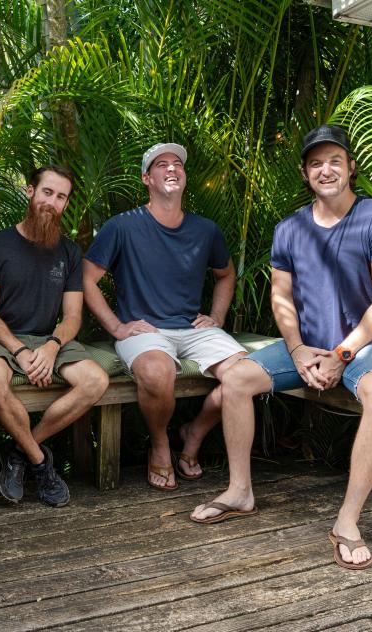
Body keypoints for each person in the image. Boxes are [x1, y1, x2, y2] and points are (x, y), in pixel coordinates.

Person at [192, 125, 372, 570]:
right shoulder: (289, 228)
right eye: (315, 163)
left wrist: (342, 354)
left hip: (361, 346)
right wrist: (295, 351)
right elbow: (281, 297)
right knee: (235, 378)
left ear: (351, 166)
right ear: (305, 173)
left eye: (334, 161)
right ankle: (240, 491)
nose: (325, 170)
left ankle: (347, 523)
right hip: (304, 347)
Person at [83, 142, 246, 491]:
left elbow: (226, 274)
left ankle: (193, 434)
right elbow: (87, 279)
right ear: (147, 178)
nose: (172, 169)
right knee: (157, 373)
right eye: (161, 165)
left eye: (177, 164)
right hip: (146, 330)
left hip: (193, 329)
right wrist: (116, 326)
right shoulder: (122, 226)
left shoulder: (205, 230)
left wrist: (216, 316)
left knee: (246, 376)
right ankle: (159, 443)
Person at [0, 165, 108, 507]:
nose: (53, 202)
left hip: (48, 338)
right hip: (0, 338)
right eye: (47, 192)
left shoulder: (69, 252)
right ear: (30, 193)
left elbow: (74, 315)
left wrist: (52, 346)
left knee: (95, 381)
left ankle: (20, 452)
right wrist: (18, 350)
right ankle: (41, 463)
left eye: (61, 197)